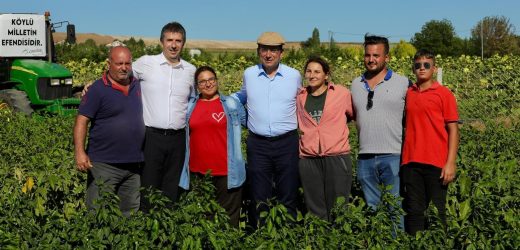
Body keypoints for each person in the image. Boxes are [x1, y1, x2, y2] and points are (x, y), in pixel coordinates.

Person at [233, 32, 302, 226]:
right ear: (258, 51)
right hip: (258, 144)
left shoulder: (293, 76)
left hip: (286, 142)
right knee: (258, 194)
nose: (268, 54)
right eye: (264, 49)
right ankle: (259, 237)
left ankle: (286, 236)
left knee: (288, 193)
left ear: (281, 53)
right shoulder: (249, 74)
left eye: (273, 50)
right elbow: (241, 97)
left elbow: (303, 100)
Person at [132, 22, 196, 211]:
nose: (173, 45)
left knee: (172, 188)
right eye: (169, 40)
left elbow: (197, 100)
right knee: (149, 187)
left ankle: (168, 231)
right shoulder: (146, 63)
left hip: (178, 139)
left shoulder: (190, 71)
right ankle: (145, 232)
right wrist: (92, 86)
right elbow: (118, 75)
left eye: (178, 41)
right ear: (162, 42)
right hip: (151, 137)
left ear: (183, 43)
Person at [73, 46, 144, 217]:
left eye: (127, 63)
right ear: (108, 63)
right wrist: (80, 152)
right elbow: (81, 121)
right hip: (104, 164)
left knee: (130, 213)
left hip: (133, 165)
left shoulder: (138, 85)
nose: (124, 67)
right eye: (119, 63)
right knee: (98, 212)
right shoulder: (97, 89)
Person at [178, 66, 246, 227]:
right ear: (196, 86)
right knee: (203, 217)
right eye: (202, 81)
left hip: (227, 172)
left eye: (211, 80)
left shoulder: (231, 104)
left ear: (217, 81)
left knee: (229, 218)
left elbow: (252, 123)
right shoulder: (189, 107)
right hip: (198, 173)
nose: (208, 84)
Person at [401, 49, 460, 234]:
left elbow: (453, 130)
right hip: (410, 161)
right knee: (414, 211)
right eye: (418, 65)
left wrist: (450, 163)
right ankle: (415, 244)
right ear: (413, 69)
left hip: (436, 162)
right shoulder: (409, 93)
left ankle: (438, 244)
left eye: (426, 65)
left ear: (434, 69)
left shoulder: (444, 94)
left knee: (437, 212)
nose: (422, 68)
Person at [351, 34, 410, 214]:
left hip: (393, 155)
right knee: (372, 209)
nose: (371, 59)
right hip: (365, 157)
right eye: (368, 55)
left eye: (376, 55)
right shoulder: (355, 84)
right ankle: (376, 242)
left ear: (387, 57)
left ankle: (397, 241)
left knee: (395, 208)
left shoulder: (403, 83)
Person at [296, 56, 354, 221]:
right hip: (309, 158)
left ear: (326, 75)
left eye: (317, 71)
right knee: (314, 208)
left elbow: (351, 115)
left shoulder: (341, 93)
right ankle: (320, 241)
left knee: (338, 206)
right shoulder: (300, 97)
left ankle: (339, 242)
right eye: (309, 71)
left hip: (336, 156)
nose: (312, 75)